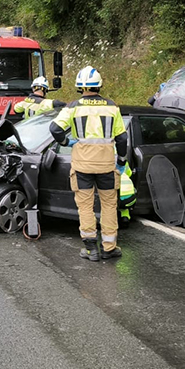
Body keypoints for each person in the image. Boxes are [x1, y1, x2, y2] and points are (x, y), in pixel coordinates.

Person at [50, 66, 128, 261]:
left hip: (82, 166)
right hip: (106, 166)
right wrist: (122, 161)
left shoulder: (73, 107)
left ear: (79, 87)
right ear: (99, 85)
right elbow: (122, 139)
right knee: (109, 205)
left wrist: (66, 142)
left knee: (85, 207)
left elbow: (55, 128)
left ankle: (91, 249)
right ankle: (109, 247)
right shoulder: (111, 106)